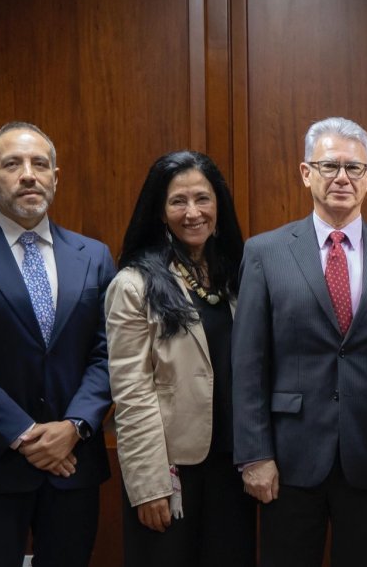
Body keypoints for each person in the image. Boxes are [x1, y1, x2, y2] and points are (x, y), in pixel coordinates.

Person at [232, 117, 367, 567]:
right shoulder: (265, 252)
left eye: (354, 168)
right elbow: (247, 365)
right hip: (287, 460)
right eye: (329, 166)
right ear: (306, 173)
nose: (342, 178)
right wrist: (254, 455)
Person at [0, 122, 115, 567]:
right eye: (12, 164)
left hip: (74, 466)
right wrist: (26, 435)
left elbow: (110, 352)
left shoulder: (94, 256)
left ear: (56, 175)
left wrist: (73, 427)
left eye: (40, 164)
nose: (28, 174)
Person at [105, 151, 254, 566]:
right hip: (171, 471)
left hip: (234, 467)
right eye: (178, 201)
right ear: (159, 211)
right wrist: (149, 485)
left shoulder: (237, 277)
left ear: (218, 206)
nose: (193, 213)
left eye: (203, 199)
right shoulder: (133, 285)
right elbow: (131, 394)